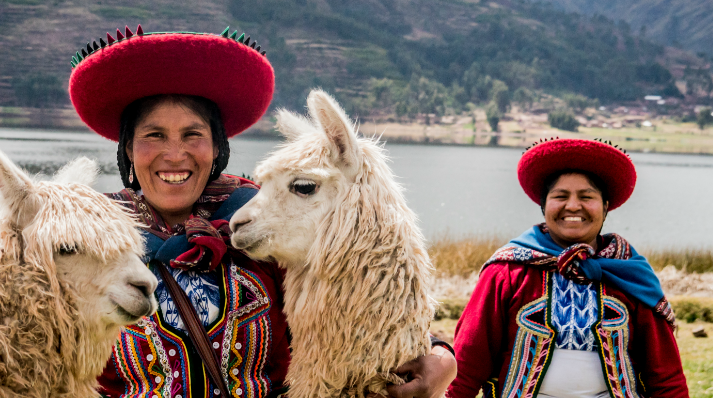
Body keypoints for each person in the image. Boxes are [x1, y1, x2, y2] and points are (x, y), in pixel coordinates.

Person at [67, 26, 456, 398]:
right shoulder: (86, 239)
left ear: (217, 147)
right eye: (154, 136)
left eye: (193, 134)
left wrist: (441, 357)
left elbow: (362, 302)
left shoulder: (266, 220)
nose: (174, 154)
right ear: (128, 150)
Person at [447, 138, 688, 398]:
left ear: (606, 207)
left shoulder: (629, 274)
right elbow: (468, 364)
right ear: (543, 206)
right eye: (560, 196)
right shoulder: (507, 272)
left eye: (587, 197)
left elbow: (665, 375)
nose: (573, 206)